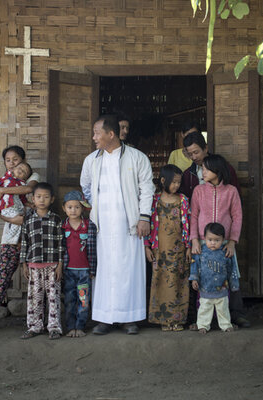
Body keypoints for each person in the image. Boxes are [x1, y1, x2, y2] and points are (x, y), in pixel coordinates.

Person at [80, 114, 155, 335]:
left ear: (110, 134)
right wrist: (97, 208)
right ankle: (104, 317)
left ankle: (129, 318)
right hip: (103, 227)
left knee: (128, 270)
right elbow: (85, 185)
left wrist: (144, 217)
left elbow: (147, 189)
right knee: (104, 271)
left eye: (97, 133)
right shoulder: (91, 160)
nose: (94, 137)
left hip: (129, 226)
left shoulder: (137, 157)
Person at [178, 131, 249, 329]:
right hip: (202, 242)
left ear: (217, 170)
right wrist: (193, 240)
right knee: (199, 278)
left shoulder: (231, 191)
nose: (202, 173)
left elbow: (237, 216)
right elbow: (193, 216)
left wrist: (233, 241)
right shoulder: (199, 191)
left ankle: (236, 315)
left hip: (225, 244)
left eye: (206, 170)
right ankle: (200, 320)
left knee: (230, 276)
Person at [0, 146, 41, 332]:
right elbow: (1, 211)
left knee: (37, 278)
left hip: (31, 237)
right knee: (3, 278)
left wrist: (4, 189)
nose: (12, 163)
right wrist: (10, 218)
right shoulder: (3, 180)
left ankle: (39, 320)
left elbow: (28, 188)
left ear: (24, 160)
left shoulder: (32, 174)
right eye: (8, 160)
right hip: (10, 237)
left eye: (16, 159)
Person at [144, 164, 191, 332]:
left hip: (178, 250)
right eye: (174, 182)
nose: (177, 185)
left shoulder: (183, 200)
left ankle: (178, 320)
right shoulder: (154, 200)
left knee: (179, 283)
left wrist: (188, 247)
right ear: (163, 180)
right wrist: (147, 247)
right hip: (159, 250)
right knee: (161, 282)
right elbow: (147, 225)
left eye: (179, 182)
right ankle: (163, 319)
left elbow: (187, 226)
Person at [19, 182, 65, 340]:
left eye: (46, 197)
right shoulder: (28, 220)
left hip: (53, 265)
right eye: (38, 197)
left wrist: (60, 265)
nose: (42, 200)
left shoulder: (56, 220)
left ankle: (54, 327)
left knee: (54, 297)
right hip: (34, 265)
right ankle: (34, 326)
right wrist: (24, 264)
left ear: (52, 199)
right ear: (33, 199)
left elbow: (61, 244)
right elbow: (24, 243)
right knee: (35, 297)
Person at [189, 222, 239, 334]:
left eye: (217, 240)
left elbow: (232, 269)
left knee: (223, 309)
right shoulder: (200, 252)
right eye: (210, 239)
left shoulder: (225, 252)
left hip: (222, 289)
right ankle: (202, 325)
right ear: (204, 238)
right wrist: (194, 279)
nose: (213, 243)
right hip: (205, 288)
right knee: (204, 308)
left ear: (223, 239)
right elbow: (194, 266)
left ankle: (226, 325)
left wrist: (234, 284)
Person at [61, 190, 97, 338]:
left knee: (83, 300)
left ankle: (80, 326)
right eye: (70, 207)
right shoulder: (62, 227)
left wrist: (93, 270)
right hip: (68, 271)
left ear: (82, 208)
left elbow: (93, 250)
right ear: (64, 208)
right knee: (69, 300)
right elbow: (60, 248)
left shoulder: (89, 226)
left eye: (77, 207)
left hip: (84, 271)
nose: (73, 210)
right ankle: (70, 327)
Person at [0, 161, 32, 246]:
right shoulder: (5, 179)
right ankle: (11, 240)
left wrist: (30, 204)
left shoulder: (22, 185)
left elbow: (23, 199)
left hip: (17, 207)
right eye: (20, 168)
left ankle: (13, 240)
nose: (21, 170)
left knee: (18, 221)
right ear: (14, 169)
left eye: (24, 172)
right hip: (7, 206)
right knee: (17, 219)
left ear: (25, 178)